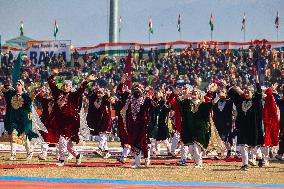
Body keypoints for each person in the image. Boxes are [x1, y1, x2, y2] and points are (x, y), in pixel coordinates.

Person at [48, 68, 96, 166]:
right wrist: (53, 75)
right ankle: (78, 155)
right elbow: (51, 83)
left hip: (70, 122)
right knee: (69, 146)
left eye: (67, 85)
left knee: (62, 140)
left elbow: (81, 89)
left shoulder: (73, 96)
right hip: (60, 122)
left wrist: (87, 80)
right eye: (64, 85)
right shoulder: (58, 93)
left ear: (70, 87)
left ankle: (61, 160)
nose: (65, 87)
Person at [226, 76, 264, 171]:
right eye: (245, 92)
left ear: (252, 93)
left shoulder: (255, 102)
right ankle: (245, 164)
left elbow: (259, 94)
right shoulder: (241, 101)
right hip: (243, 128)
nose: (246, 94)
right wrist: (228, 86)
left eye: (248, 92)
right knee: (243, 146)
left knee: (254, 147)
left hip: (253, 128)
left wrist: (257, 83)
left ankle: (260, 158)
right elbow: (232, 94)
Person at [178, 83, 218, 168]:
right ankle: (198, 161)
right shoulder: (187, 104)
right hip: (190, 130)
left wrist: (217, 95)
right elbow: (179, 101)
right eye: (192, 92)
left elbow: (211, 104)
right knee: (191, 149)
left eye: (195, 92)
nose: (193, 93)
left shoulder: (202, 104)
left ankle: (199, 164)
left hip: (200, 130)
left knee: (196, 148)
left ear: (199, 95)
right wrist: (184, 95)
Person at [0, 80, 39, 160]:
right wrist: (7, 86)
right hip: (14, 119)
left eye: (19, 85)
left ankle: (29, 151)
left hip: (23, 120)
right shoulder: (12, 94)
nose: (17, 86)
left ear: (22, 86)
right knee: (13, 135)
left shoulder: (25, 95)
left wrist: (35, 89)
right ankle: (13, 155)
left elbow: (32, 96)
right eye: (16, 84)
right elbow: (4, 90)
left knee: (24, 137)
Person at [121, 84, 154, 168]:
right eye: (135, 90)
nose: (136, 91)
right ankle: (137, 163)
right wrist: (123, 112)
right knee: (135, 142)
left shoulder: (145, 99)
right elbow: (125, 107)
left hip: (143, 124)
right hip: (133, 124)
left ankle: (147, 159)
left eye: (138, 90)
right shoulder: (130, 98)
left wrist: (150, 98)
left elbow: (154, 106)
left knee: (143, 142)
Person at [87, 87, 112, 158]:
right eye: (98, 93)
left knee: (102, 135)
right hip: (100, 121)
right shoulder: (96, 100)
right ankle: (106, 151)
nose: (99, 94)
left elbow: (109, 97)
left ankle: (100, 148)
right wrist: (93, 90)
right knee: (103, 136)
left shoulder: (106, 99)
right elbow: (92, 99)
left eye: (101, 93)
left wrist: (108, 93)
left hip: (106, 120)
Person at [213, 87, 234, 158]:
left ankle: (229, 151)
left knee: (225, 138)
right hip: (217, 122)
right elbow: (212, 101)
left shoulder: (229, 101)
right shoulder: (216, 101)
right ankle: (220, 153)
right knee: (218, 138)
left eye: (223, 91)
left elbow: (232, 96)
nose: (221, 93)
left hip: (226, 122)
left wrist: (226, 89)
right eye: (219, 92)